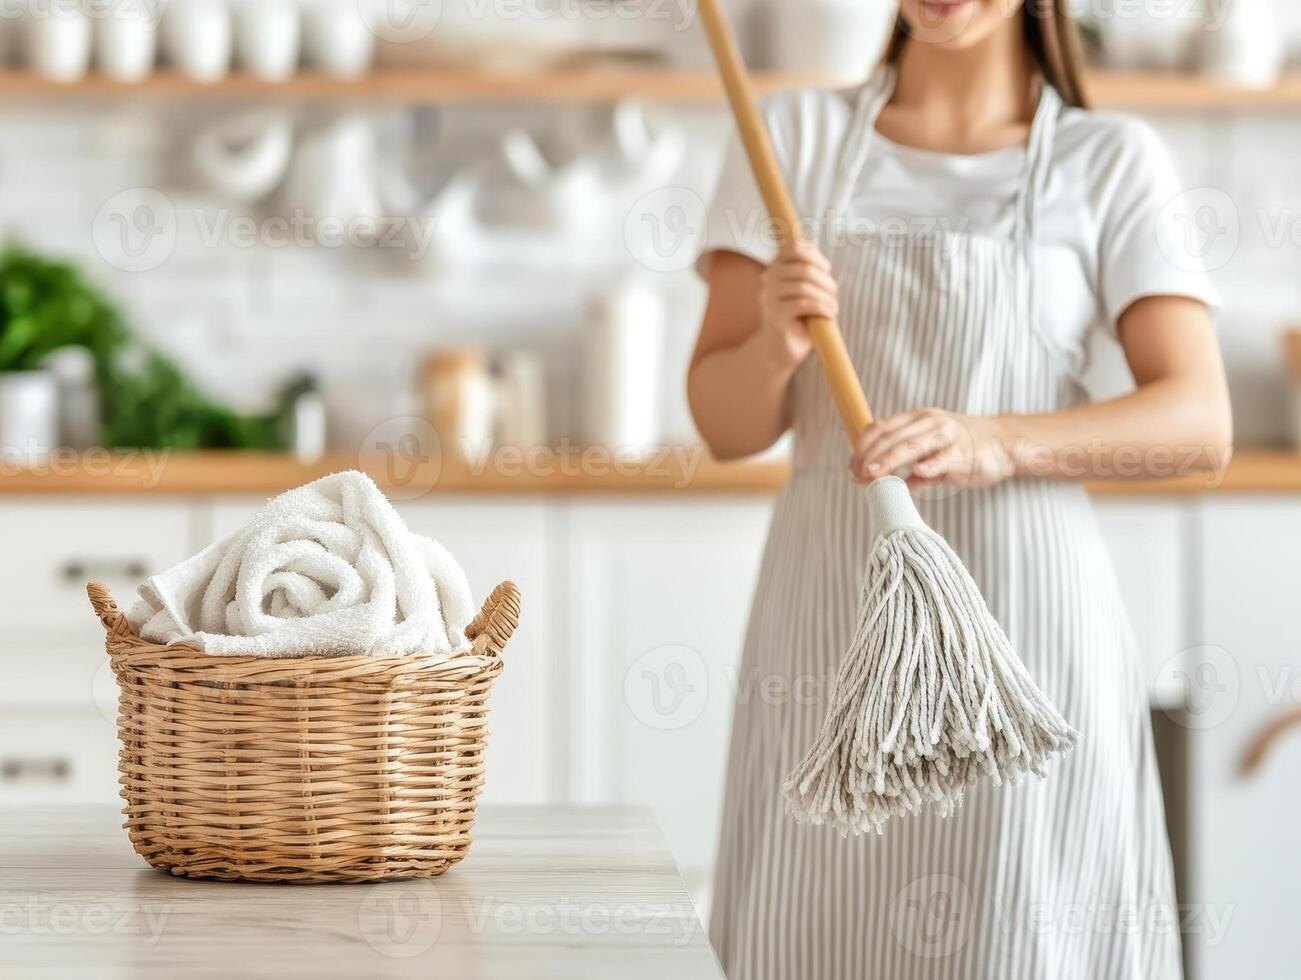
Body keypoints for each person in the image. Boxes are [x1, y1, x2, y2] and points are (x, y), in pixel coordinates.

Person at [687, 2, 1233, 977]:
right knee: (810, 928)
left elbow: (1197, 421)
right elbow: (725, 426)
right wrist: (774, 336)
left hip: (1023, 632)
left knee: (1016, 933)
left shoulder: (1106, 160)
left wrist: (996, 440)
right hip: (829, 627)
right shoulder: (790, 138)